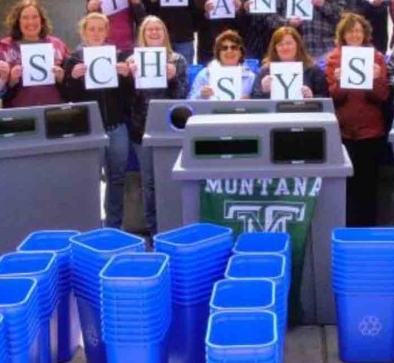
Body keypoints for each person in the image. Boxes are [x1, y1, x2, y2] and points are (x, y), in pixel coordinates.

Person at [62, 12, 135, 229]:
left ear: (106, 31)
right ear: (83, 32)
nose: (95, 33)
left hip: (116, 127)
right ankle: (92, 226)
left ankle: (114, 226)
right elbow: (67, 97)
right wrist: (72, 78)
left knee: (117, 179)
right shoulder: (73, 59)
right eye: (91, 29)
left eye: (100, 29)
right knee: (90, 181)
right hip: (90, 130)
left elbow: (129, 97)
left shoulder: (119, 56)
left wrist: (126, 78)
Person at [325, 13, 390, 227]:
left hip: (371, 133)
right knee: (346, 187)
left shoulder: (376, 57)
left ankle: (368, 229)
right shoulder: (334, 59)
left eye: (358, 31)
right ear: (343, 35)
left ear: (365, 34)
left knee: (368, 186)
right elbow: (334, 99)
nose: (354, 35)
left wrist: (376, 79)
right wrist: (340, 82)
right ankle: (346, 227)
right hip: (344, 132)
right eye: (350, 31)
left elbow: (382, 97)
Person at [127, 16, 189, 237]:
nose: (154, 33)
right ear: (142, 35)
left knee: (172, 180)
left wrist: (173, 78)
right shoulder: (132, 60)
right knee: (150, 183)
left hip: (170, 132)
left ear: (165, 34)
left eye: (158, 29)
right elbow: (128, 101)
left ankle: (176, 227)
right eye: (149, 30)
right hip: (140, 130)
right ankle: (154, 231)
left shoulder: (178, 60)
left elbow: (182, 99)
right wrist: (129, 78)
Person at [0, 0, 69, 108]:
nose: (31, 22)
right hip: (19, 114)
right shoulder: (4, 47)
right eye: (25, 18)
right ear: (17, 21)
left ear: (42, 20)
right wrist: (11, 81)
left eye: (35, 17)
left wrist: (63, 78)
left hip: (53, 111)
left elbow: (72, 86)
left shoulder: (57, 44)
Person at [251, 26, 329, 99]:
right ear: (275, 49)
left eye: (289, 43)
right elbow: (254, 98)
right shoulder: (265, 70)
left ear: (298, 45)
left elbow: (325, 96)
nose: (285, 48)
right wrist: (263, 91)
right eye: (280, 44)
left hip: (304, 112)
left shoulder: (313, 70)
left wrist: (311, 97)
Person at [188, 29, 256, 100]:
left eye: (234, 47)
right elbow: (189, 101)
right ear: (218, 53)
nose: (229, 51)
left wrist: (250, 101)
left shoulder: (250, 77)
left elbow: (259, 102)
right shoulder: (204, 75)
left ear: (240, 53)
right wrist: (200, 94)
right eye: (224, 48)